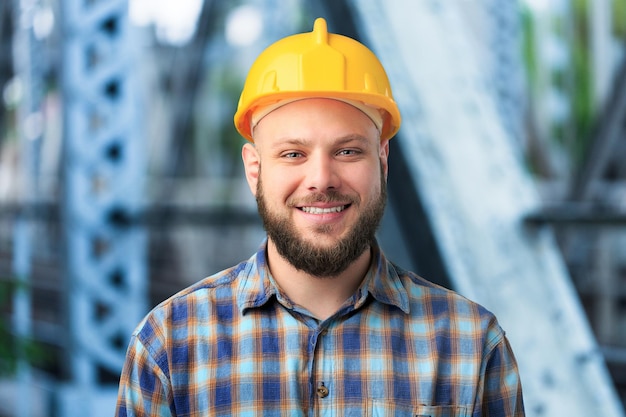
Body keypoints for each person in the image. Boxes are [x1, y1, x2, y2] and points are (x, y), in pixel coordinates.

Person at [115, 17, 525, 417]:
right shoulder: (169, 344)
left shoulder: (472, 346)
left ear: (382, 161)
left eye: (347, 151)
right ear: (254, 169)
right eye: (293, 154)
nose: (321, 180)